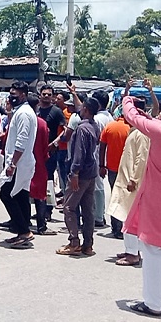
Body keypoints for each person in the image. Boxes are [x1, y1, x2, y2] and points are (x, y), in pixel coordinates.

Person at [121, 88, 161, 316]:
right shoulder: (160, 129)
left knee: (152, 250)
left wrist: (128, 98)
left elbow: (131, 116)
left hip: (158, 201)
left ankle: (152, 303)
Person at [56, 97, 101, 257]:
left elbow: (79, 153)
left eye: (82, 108)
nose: (79, 109)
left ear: (86, 110)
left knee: (69, 207)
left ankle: (74, 242)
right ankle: (87, 245)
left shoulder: (82, 129)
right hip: (91, 173)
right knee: (87, 210)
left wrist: (74, 173)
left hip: (80, 174)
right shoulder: (95, 126)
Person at [107, 97, 150, 267]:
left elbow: (142, 158)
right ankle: (130, 249)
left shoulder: (142, 133)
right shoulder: (135, 130)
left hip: (132, 183)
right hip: (126, 180)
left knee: (130, 217)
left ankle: (133, 253)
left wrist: (134, 179)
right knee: (125, 215)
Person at [0, 81, 38, 248]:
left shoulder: (23, 114)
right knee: (21, 195)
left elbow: (21, 142)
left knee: (6, 194)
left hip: (19, 163)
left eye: (14, 95)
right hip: (20, 161)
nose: (11, 97)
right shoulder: (20, 112)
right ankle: (23, 230)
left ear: (23, 95)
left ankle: (23, 230)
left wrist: (13, 164)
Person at [99, 97, 131, 239]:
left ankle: (116, 228)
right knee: (127, 199)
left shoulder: (110, 127)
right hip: (128, 170)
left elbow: (102, 147)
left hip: (112, 168)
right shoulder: (131, 128)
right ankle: (126, 228)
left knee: (115, 197)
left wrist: (101, 165)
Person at [37, 85, 66, 221]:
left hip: (50, 152)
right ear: (40, 95)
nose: (46, 96)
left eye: (49, 94)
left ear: (53, 97)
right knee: (36, 181)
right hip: (36, 152)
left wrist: (55, 142)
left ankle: (47, 211)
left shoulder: (56, 111)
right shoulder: (35, 110)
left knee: (48, 181)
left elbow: (66, 130)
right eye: (44, 94)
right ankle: (39, 209)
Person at [28, 93, 54, 236]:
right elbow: (46, 145)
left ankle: (23, 222)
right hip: (39, 161)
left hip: (23, 162)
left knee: (22, 192)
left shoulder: (21, 119)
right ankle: (41, 225)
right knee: (40, 194)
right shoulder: (42, 123)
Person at [91, 90, 114, 228]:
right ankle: (100, 214)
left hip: (98, 155)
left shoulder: (98, 119)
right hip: (105, 155)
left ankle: (99, 216)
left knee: (97, 186)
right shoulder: (110, 117)